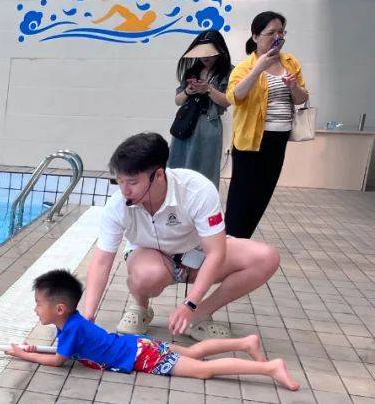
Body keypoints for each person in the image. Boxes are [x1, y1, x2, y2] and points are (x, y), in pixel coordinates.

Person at [82, 132, 279, 341]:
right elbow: (102, 261)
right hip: (150, 256)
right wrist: (88, 315)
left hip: (197, 253)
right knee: (147, 275)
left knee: (266, 258)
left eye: (132, 182)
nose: (124, 191)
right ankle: (141, 308)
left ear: (158, 175)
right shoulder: (117, 205)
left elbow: (216, 252)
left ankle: (200, 314)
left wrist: (191, 303)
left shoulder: (196, 190)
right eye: (119, 181)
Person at [7, 269, 299, 390]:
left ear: (59, 308)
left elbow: (59, 361)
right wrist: (35, 348)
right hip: (137, 345)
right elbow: (63, 352)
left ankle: (270, 368)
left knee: (203, 370)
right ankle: (246, 343)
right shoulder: (72, 323)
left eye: (38, 304)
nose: (35, 309)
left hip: (142, 358)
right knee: (194, 351)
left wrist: (23, 354)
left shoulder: (69, 330)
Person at [225, 11, 309, 239]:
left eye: (281, 32)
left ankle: (243, 241)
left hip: (278, 140)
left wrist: (293, 86)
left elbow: (302, 98)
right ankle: (230, 241)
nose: (277, 37)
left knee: (262, 194)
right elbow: (235, 97)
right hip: (251, 142)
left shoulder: (290, 63)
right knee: (242, 196)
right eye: (271, 32)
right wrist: (258, 69)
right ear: (255, 36)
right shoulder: (246, 66)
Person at [168, 30, 233, 185]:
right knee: (179, 166)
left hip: (209, 124)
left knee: (205, 170)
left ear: (219, 51)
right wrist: (188, 91)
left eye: (209, 53)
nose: (205, 57)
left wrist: (208, 89)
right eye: (202, 53)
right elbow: (178, 100)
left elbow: (227, 101)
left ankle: (204, 206)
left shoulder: (228, 72)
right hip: (185, 123)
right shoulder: (192, 71)